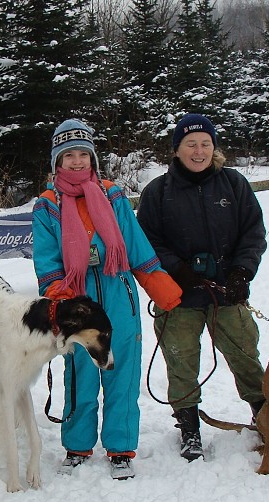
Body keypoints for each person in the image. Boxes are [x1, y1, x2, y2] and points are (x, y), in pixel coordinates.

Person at [32, 119, 182, 480]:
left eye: (84, 154)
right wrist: (60, 300)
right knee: (80, 377)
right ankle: (77, 445)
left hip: (120, 300)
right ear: (57, 162)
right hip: (78, 305)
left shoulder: (113, 194)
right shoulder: (47, 205)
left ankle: (120, 447)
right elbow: (47, 260)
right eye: (69, 155)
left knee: (122, 376)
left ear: (93, 158)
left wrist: (160, 286)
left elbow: (134, 243)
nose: (78, 161)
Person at [137, 113, 267, 462]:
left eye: (205, 144)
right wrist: (176, 268)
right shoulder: (157, 192)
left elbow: (253, 232)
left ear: (214, 147)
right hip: (178, 296)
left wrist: (242, 271)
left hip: (228, 291)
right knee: (180, 360)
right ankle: (188, 425)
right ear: (177, 149)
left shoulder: (234, 185)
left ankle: (265, 414)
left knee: (245, 353)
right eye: (190, 144)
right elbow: (145, 240)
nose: (199, 151)